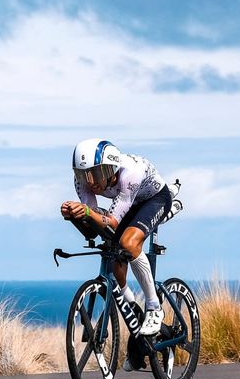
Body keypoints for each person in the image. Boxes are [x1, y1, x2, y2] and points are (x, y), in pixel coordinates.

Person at [60, 139, 174, 347]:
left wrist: (86, 212)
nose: (90, 182)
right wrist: (74, 214)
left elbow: (110, 221)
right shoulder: (83, 182)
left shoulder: (129, 174)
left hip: (155, 199)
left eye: (95, 174)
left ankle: (154, 307)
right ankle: (133, 309)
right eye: (82, 174)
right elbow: (94, 220)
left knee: (129, 244)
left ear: (111, 169)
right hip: (129, 203)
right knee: (116, 258)